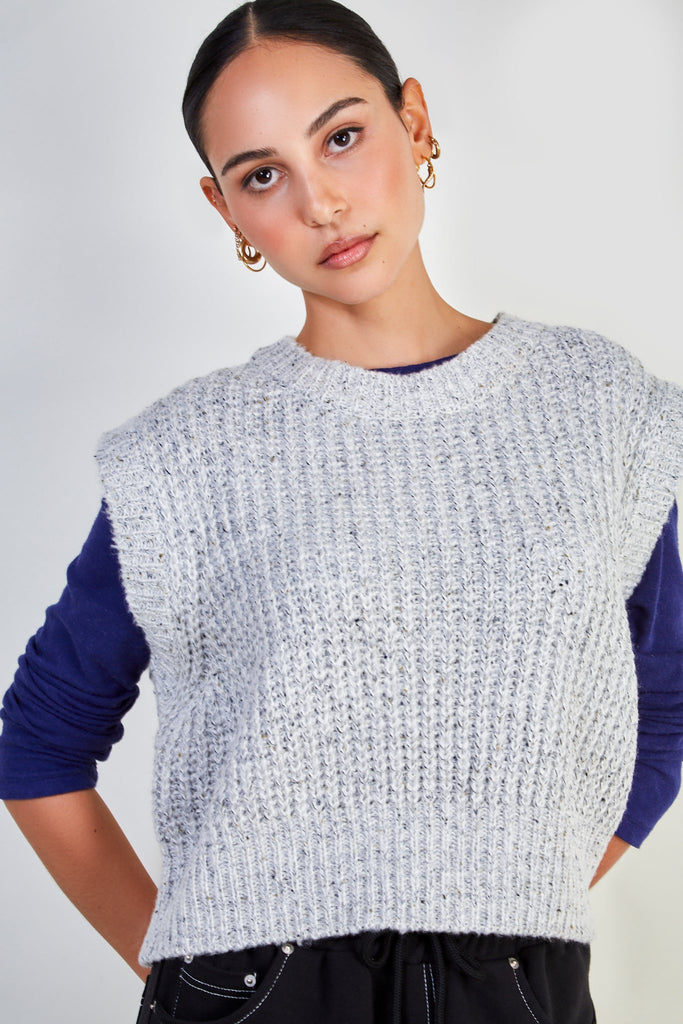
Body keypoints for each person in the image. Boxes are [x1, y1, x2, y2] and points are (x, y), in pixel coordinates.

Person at [2, 1, 683, 1021]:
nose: (320, 201)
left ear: (414, 122)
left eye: (341, 136)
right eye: (261, 175)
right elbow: (38, 744)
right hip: (258, 987)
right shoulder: (186, 455)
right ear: (224, 209)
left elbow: (661, 702)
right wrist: (187, 976)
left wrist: (505, 900)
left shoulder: (597, 408)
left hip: (515, 981)